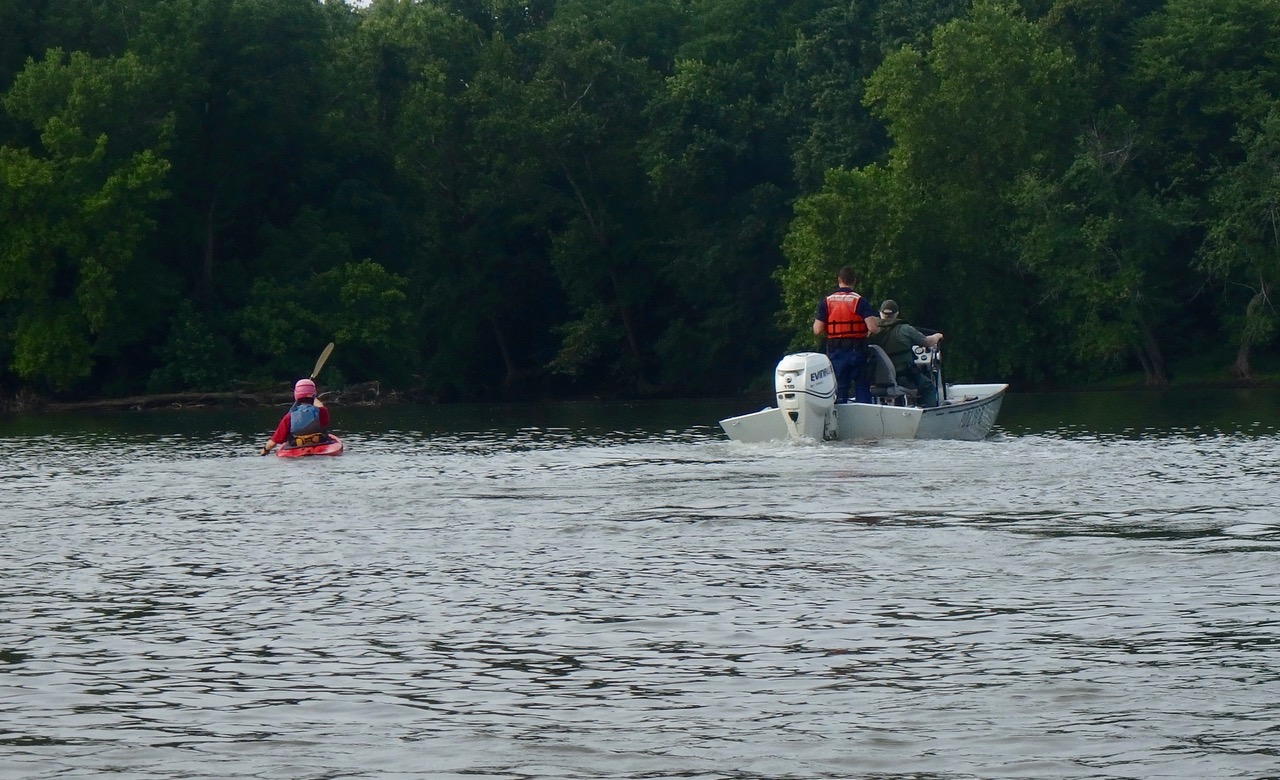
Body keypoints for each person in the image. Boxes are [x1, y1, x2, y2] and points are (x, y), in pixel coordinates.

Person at [813, 266, 880, 403]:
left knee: (839, 388)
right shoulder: (860, 301)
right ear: (854, 281)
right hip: (858, 351)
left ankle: (840, 418)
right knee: (862, 386)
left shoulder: (827, 302)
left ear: (839, 280)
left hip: (836, 352)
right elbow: (873, 327)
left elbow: (818, 330)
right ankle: (865, 417)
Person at [867, 299, 943, 407]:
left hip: (876, 381)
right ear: (897, 313)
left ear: (880, 313)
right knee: (928, 386)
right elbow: (927, 342)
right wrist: (937, 336)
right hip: (903, 378)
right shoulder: (905, 329)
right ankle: (931, 414)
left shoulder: (872, 332)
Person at [260, 378, 331, 455]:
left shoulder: (289, 417)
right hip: (320, 443)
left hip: (296, 446)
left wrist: (265, 450)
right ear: (314, 394)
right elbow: (321, 407)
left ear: (296, 394)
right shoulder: (322, 412)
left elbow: (273, 442)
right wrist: (312, 396)